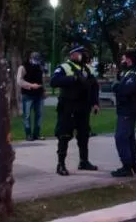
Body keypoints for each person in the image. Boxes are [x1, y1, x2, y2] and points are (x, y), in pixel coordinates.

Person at [49, 46, 100, 176]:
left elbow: (94, 86)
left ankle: (84, 161)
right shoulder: (65, 67)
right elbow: (54, 81)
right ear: (73, 55)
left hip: (83, 107)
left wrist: (95, 103)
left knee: (84, 135)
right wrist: (74, 79)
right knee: (64, 135)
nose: (84, 56)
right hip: (68, 107)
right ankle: (61, 164)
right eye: (81, 53)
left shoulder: (88, 69)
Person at [111, 51, 136, 177]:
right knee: (129, 137)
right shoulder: (128, 72)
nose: (122, 61)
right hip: (127, 108)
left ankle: (127, 166)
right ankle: (132, 164)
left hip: (128, 109)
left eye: (124, 58)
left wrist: (116, 87)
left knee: (121, 137)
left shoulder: (135, 73)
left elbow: (126, 89)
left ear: (129, 59)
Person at [17, 51, 46, 141]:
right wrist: (30, 85)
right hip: (28, 94)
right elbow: (19, 81)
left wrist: (44, 90)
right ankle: (28, 134)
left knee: (39, 115)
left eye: (38, 60)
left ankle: (36, 134)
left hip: (39, 94)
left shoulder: (40, 67)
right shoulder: (23, 67)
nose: (36, 62)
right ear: (30, 58)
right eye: (35, 59)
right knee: (27, 115)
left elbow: (42, 80)